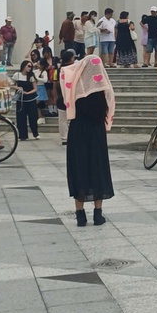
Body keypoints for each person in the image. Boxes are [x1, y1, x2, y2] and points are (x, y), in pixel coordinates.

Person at [61, 54, 116, 226]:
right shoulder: (102, 91)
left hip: (78, 132)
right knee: (97, 168)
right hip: (96, 133)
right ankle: (98, 214)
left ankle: (80, 214)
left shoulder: (75, 87)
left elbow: (62, 104)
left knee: (79, 168)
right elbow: (105, 111)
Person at [53, 49, 76, 145]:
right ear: (70, 59)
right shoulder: (73, 69)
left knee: (62, 118)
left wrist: (55, 96)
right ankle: (69, 137)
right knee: (70, 117)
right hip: (69, 96)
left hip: (61, 96)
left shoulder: (57, 70)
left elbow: (54, 84)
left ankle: (64, 137)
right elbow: (55, 83)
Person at [13, 60, 39, 141]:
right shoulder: (17, 75)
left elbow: (35, 89)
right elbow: (12, 85)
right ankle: (22, 135)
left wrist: (27, 93)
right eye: (28, 66)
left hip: (31, 98)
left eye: (31, 66)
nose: (29, 68)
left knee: (33, 117)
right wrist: (18, 88)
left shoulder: (31, 76)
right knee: (21, 118)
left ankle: (35, 133)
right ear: (24, 66)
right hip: (21, 99)